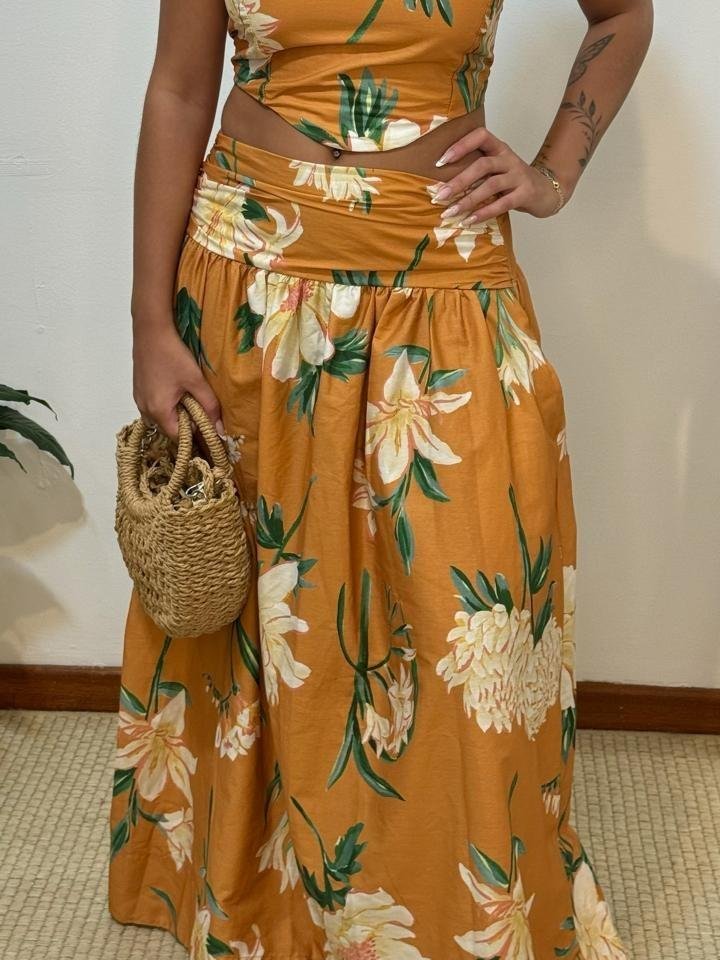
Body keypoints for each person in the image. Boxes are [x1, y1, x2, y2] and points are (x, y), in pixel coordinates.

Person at [109, 1, 653, 957]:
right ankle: (270, 906)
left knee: (467, 611)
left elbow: (625, 11)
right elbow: (180, 90)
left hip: (444, 274)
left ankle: (452, 908)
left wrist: (553, 173)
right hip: (253, 280)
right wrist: (149, 323)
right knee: (270, 617)